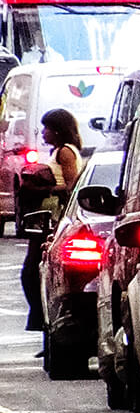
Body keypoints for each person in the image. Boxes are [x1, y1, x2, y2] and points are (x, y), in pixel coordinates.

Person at [22, 109, 83, 337]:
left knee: (32, 271)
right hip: (42, 217)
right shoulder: (56, 151)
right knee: (32, 271)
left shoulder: (65, 153)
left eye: (47, 128)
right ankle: (40, 319)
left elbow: (71, 185)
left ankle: (41, 318)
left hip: (52, 218)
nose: (43, 132)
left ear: (58, 130)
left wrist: (43, 188)